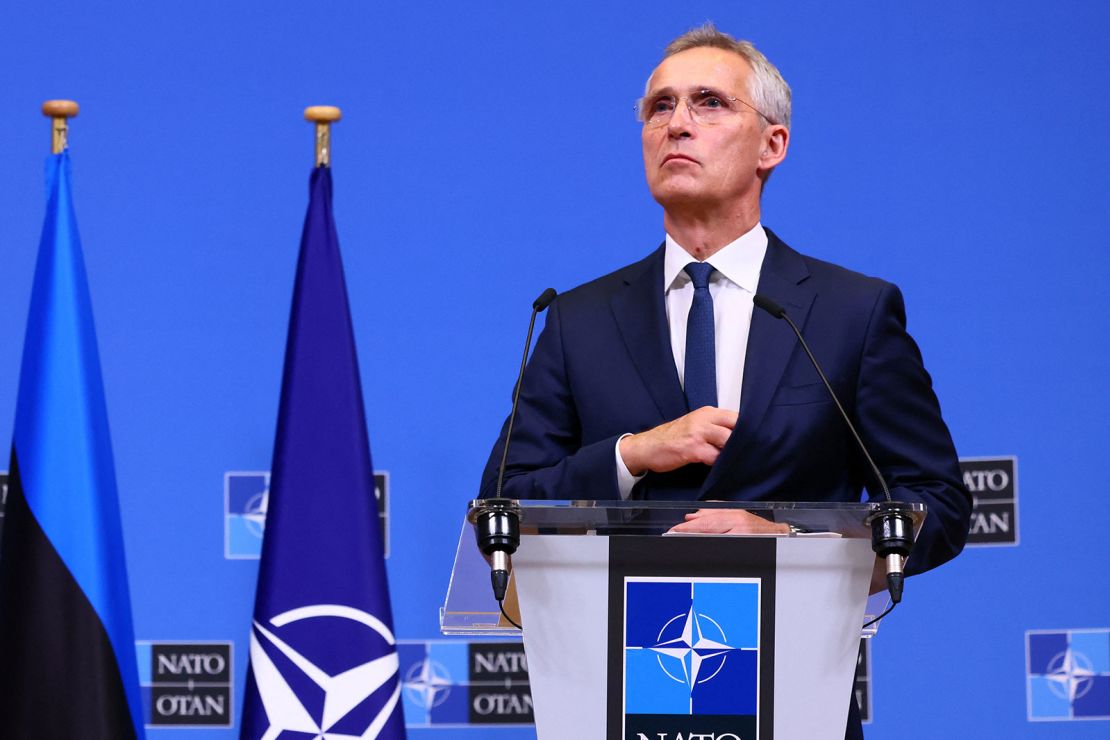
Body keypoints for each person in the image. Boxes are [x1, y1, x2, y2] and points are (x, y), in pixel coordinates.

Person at [479, 24, 970, 739]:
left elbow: (939, 505)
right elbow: (504, 504)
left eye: (709, 103)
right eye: (659, 107)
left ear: (773, 145)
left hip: (795, 701)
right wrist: (630, 455)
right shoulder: (577, 319)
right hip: (615, 700)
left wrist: (790, 545)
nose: (677, 123)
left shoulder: (849, 313)